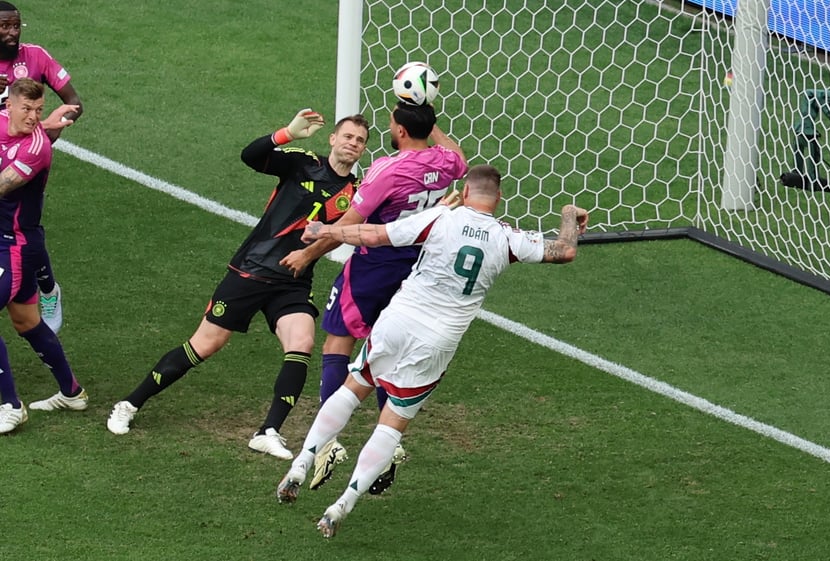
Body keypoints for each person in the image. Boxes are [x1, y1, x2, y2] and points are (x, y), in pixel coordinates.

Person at [276, 164, 589, 538]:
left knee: (353, 386)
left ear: (466, 191)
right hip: (438, 340)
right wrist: (570, 216)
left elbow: (374, 234)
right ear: (499, 199)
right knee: (392, 422)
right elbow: (565, 250)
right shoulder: (508, 238)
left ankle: (302, 461)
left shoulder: (442, 217)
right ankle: (343, 503)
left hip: (399, 319)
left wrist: (326, 230)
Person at [106, 109, 370, 461]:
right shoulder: (304, 163)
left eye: (360, 140)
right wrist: (286, 134)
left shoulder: (356, 193)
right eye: (348, 136)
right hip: (252, 270)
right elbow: (251, 156)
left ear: (363, 150)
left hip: (292, 280)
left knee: (302, 341)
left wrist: (315, 247)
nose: (353, 143)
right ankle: (129, 403)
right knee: (205, 344)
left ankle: (268, 431)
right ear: (333, 139)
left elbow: (346, 234)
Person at [280, 101, 467, 493]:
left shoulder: (388, 169)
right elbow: (459, 158)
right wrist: (429, 122)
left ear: (399, 130)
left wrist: (307, 252)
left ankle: (327, 442)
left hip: (373, 266)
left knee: (338, 341)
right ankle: (389, 441)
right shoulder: (445, 163)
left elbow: (347, 226)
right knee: (385, 351)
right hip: (417, 270)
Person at [0, 78, 85, 433]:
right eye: (27, 109)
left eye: (39, 111)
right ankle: (72, 392)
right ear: (9, 107)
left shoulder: (37, 148)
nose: (35, 117)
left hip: (15, 244)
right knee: (26, 322)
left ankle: (10, 405)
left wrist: (46, 129)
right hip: (13, 242)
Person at [0, 2, 84, 333]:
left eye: (16, 25)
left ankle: (47, 289)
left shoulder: (35, 56)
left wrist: (45, 137)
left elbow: (74, 103)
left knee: (23, 226)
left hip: (27, 162)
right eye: (5, 26)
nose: (12, 32)